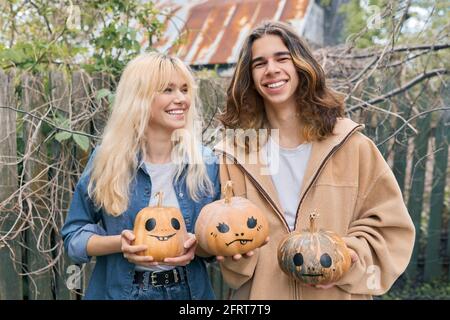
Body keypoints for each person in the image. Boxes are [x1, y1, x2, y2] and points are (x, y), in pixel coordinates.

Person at [214, 20, 415, 299]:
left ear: (301, 65)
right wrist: (237, 255)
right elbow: (219, 231)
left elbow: (390, 226)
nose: (272, 69)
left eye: (282, 58)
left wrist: (349, 257)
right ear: (250, 77)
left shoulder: (351, 145)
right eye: (259, 63)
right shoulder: (235, 155)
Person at [61, 52, 220, 300]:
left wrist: (198, 247)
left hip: (189, 293)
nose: (181, 99)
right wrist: (119, 244)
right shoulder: (107, 160)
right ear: (139, 98)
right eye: (167, 90)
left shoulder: (205, 162)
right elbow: (74, 238)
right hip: (120, 292)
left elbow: (219, 240)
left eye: (185, 89)